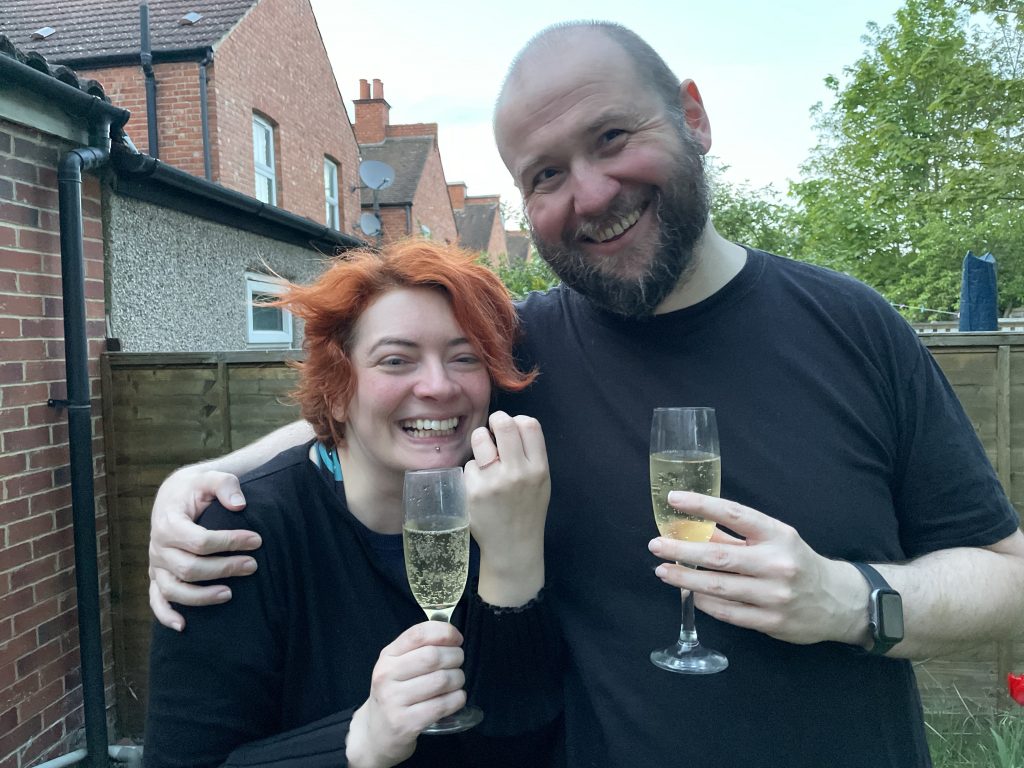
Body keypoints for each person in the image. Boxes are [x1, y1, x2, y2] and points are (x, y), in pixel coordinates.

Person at [147, 21, 1024, 768]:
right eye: (547, 175)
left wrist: (849, 600)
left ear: (693, 115)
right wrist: (203, 478)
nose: (592, 194)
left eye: (611, 139)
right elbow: (399, 409)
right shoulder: (524, 357)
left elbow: (1006, 578)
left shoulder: (855, 328)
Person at [143, 240, 561, 767]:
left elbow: (525, 743)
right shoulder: (240, 537)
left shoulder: (513, 503)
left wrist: (512, 561)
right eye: (395, 360)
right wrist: (356, 742)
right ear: (338, 390)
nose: (438, 385)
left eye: (465, 358)